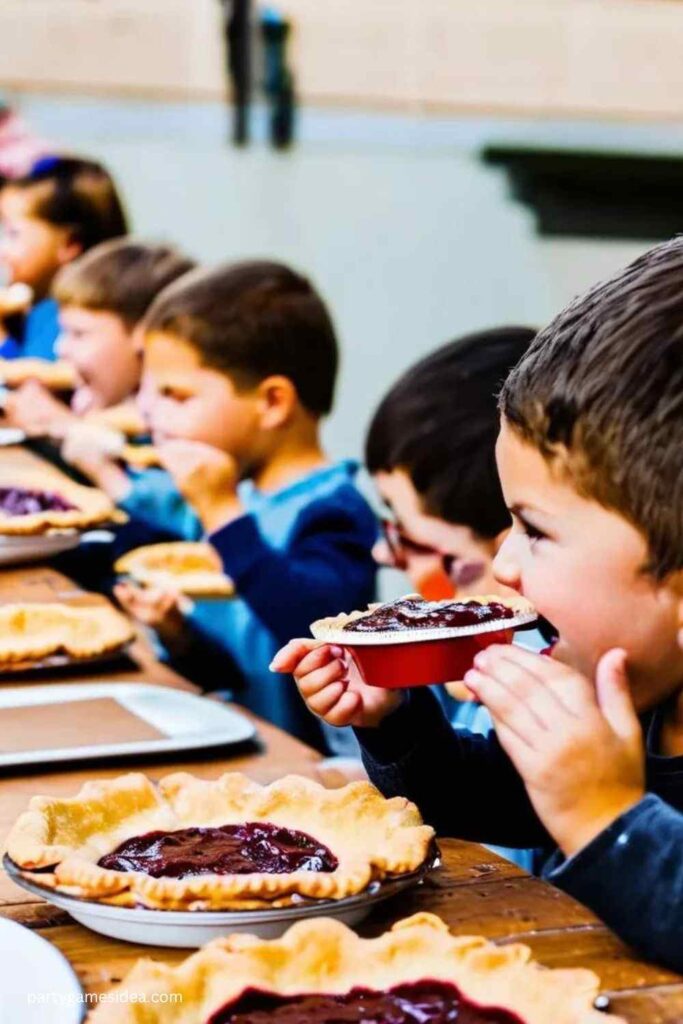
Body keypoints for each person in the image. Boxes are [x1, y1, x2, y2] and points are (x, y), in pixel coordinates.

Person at [272, 237, 683, 972]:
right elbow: (489, 797)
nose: (502, 564)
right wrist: (400, 725)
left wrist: (607, 818)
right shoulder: (633, 694)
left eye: (535, 531)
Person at [71, 260, 378, 749]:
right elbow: (237, 667)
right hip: (235, 740)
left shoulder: (332, 512)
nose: (153, 416)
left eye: (177, 395)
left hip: (311, 771)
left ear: (273, 401)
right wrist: (178, 634)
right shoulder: (242, 493)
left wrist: (221, 514)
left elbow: (314, 627)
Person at [4, 239, 194, 437]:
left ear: (143, 339)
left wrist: (64, 425)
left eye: (79, 334)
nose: (60, 348)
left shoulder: (168, 427)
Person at [0, 156, 128, 361]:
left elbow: (33, 371)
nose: (3, 251)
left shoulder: (72, 318)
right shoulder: (32, 309)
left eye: (13, 234)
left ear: (70, 244)